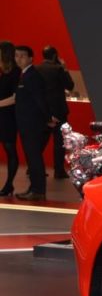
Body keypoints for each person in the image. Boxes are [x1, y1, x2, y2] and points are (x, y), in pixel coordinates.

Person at [14, 45, 50, 201]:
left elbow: (40, 99)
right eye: (16, 56)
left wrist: (48, 118)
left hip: (32, 124)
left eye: (22, 56)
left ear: (30, 58)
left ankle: (38, 190)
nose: (19, 59)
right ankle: (34, 188)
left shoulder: (32, 76)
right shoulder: (24, 75)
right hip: (26, 123)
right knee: (32, 158)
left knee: (34, 158)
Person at [36, 45, 74, 178]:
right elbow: (70, 86)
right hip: (58, 110)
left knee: (40, 141)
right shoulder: (58, 68)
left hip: (42, 110)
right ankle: (59, 170)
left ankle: (33, 167)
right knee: (59, 142)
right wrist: (64, 68)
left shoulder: (36, 69)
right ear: (55, 56)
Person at [0, 41, 20, 198]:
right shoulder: (3, 72)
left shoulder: (15, 73)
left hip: (8, 116)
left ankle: (9, 184)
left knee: (10, 149)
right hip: (2, 114)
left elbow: (15, 97)